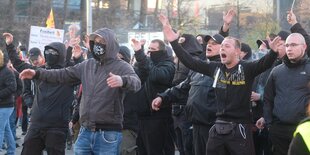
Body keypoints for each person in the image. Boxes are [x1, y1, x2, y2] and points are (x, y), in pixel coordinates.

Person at [158, 14, 279, 155]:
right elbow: (190, 61)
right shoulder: (215, 68)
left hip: (240, 128)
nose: (222, 49)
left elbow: (265, 63)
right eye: (221, 47)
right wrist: (173, 42)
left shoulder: (247, 68)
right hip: (218, 127)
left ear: (237, 51)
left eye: (226, 46)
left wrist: (274, 52)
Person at [19, 28, 141, 155]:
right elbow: (62, 74)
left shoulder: (122, 66)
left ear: (110, 43)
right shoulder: (87, 65)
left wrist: (123, 80)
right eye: (96, 41)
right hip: (85, 131)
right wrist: (37, 73)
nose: (98, 44)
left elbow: (136, 82)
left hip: (107, 134)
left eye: (102, 41)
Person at [4, 32, 81, 155]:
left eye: (54, 53)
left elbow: (82, 71)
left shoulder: (68, 74)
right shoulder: (40, 71)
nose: (50, 55)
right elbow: (19, 64)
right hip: (36, 124)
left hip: (57, 127)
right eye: (48, 52)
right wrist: (9, 45)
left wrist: (77, 58)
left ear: (60, 55)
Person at [152, 33, 224, 155]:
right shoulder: (198, 68)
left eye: (214, 44)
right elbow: (182, 88)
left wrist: (225, 27)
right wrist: (162, 97)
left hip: (214, 127)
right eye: (208, 43)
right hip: (195, 125)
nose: (208, 46)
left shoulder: (224, 69)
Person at [257, 33, 310, 155]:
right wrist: (270, 125)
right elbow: (268, 99)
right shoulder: (277, 71)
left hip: (303, 131)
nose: (289, 48)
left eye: (293, 45)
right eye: (287, 45)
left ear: (304, 46)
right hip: (278, 131)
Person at [131, 38, 175, 155]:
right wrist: (139, 57)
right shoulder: (147, 64)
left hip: (158, 119)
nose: (150, 52)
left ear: (161, 51)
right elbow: (137, 74)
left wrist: (141, 54)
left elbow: (156, 75)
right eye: (149, 49)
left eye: (153, 49)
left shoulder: (168, 65)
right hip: (141, 118)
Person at [0, 50, 16, 155]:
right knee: (6, 129)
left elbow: (13, 87)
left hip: (6, 105)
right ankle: (11, 151)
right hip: (3, 104)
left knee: (0, 129)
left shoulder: (7, 71)